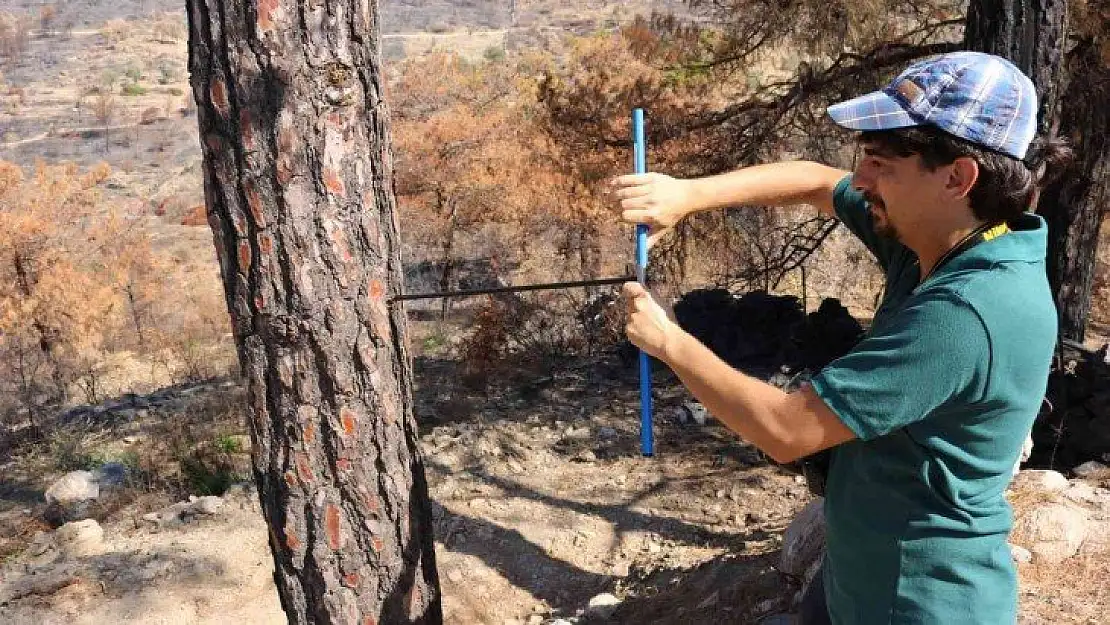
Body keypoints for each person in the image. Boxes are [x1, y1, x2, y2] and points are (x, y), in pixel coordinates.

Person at [610, 51, 1072, 624]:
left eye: (882, 164)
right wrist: (688, 195)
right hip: (861, 577)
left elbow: (785, 429)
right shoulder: (944, 242)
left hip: (916, 602)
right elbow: (819, 182)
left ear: (957, 177)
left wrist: (666, 341)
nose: (861, 179)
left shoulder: (966, 311)